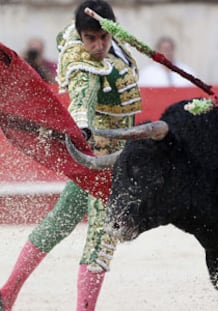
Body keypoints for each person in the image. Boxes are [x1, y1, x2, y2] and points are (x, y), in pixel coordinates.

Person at [0, 1, 142, 310]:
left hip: (100, 158)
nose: (98, 45)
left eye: (104, 37)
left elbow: (69, 33)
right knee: (101, 243)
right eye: (90, 38)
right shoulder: (84, 65)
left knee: (58, 223)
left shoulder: (112, 49)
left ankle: (6, 294)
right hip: (101, 164)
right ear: (81, 37)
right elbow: (83, 96)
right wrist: (82, 126)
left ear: (113, 32)